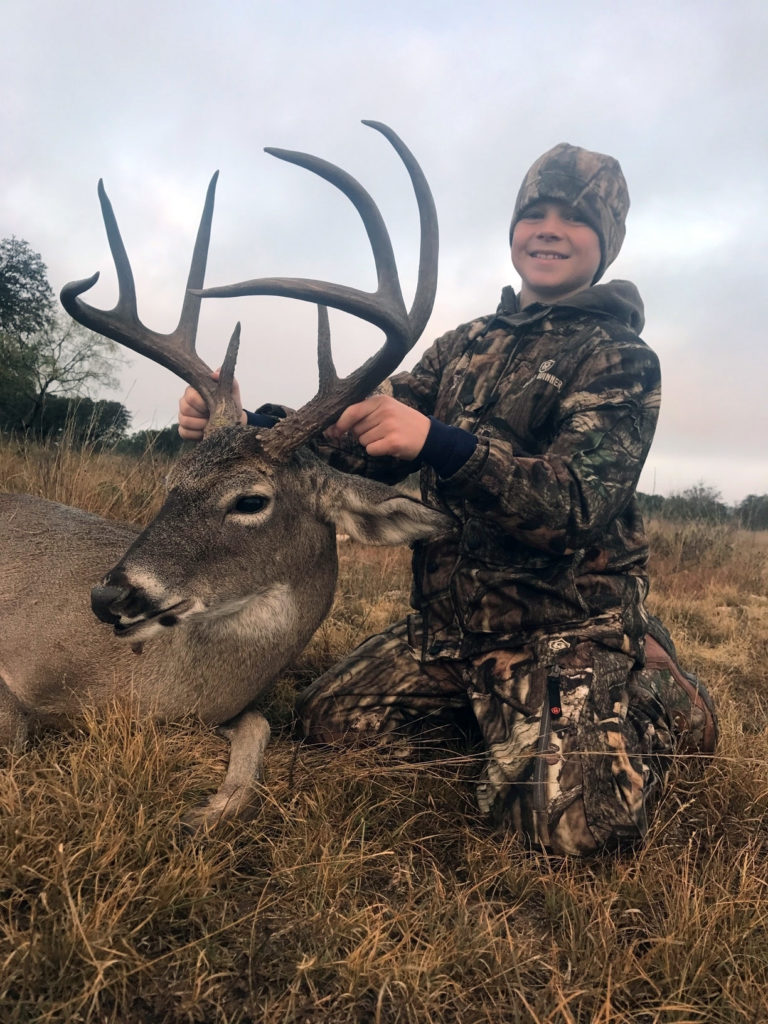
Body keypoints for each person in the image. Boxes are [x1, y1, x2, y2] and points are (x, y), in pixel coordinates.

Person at [178, 143, 717, 856]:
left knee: (579, 835)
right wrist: (251, 429)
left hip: (564, 630)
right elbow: (354, 443)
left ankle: (654, 699)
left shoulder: (617, 358)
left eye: (575, 218)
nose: (549, 229)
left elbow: (577, 508)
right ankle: (509, 726)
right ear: (514, 229)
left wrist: (440, 443)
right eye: (535, 212)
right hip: (453, 635)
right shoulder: (463, 347)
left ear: (607, 242)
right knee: (329, 721)